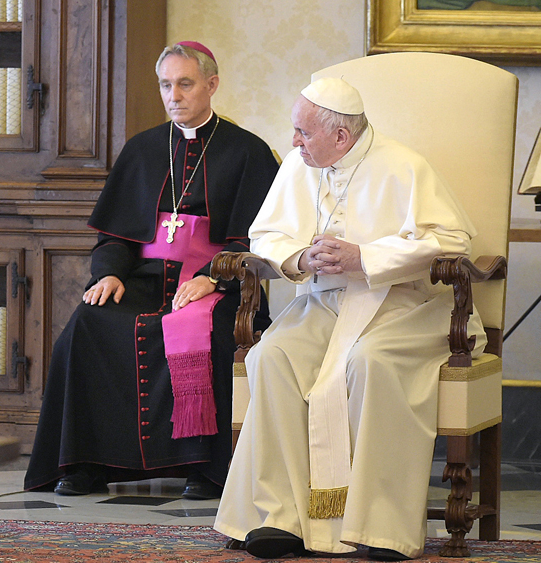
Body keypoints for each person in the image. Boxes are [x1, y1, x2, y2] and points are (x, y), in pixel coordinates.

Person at [213, 78, 485, 560]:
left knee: (371, 360)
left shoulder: (404, 165)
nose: (293, 142)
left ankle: (381, 527)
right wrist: (302, 260)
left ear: (341, 137)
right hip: (324, 304)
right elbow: (267, 235)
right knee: (271, 356)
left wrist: (367, 257)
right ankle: (281, 518)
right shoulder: (300, 167)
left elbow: (453, 241)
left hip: (402, 304)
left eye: (303, 132)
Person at [24, 42, 277, 499]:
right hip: (143, 281)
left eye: (185, 83)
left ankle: (205, 467)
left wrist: (214, 277)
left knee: (212, 329)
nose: (173, 95)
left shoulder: (248, 152)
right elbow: (115, 237)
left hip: (214, 283)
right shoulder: (142, 149)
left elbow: (259, 238)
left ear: (211, 85)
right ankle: (86, 463)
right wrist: (110, 274)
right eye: (166, 84)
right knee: (88, 323)